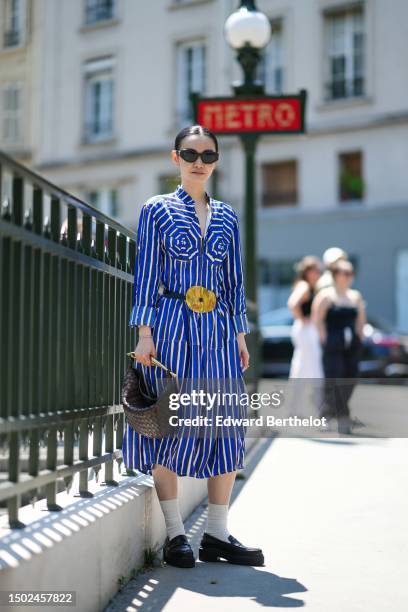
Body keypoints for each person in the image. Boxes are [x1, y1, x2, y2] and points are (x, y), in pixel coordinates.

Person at [122, 125, 264, 568]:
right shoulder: (157, 210)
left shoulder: (227, 216)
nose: (199, 161)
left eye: (207, 154)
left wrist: (240, 336)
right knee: (169, 422)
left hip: (219, 330)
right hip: (171, 328)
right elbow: (145, 274)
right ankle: (175, 534)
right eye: (190, 153)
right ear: (176, 158)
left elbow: (234, 281)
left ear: (217, 160)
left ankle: (217, 534)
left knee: (225, 421)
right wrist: (144, 335)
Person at [312, 259, 366, 434]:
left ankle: (339, 413)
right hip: (333, 343)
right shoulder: (326, 296)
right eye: (346, 273)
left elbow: (360, 319)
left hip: (352, 344)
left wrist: (360, 334)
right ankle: (334, 416)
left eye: (351, 273)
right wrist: (324, 338)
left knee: (351, 377)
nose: (349, 277)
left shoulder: (355, 296)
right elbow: (317, 319)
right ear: (335, 275)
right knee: (334, 378)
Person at [287, 256, 324, 378]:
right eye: (315, 271)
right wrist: (302, 318)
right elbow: (292, 303)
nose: (318, 274)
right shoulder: (304, 285)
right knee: (309, 362)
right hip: (305, 328)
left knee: (306, 362)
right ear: (307, 272)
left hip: (306, 328)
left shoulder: (311, 286)